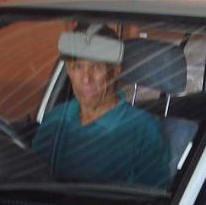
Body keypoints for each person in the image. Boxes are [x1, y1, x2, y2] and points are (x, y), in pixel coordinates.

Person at [32, 27, 169, 187]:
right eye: (78, 67)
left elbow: (153, 203)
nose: (86, 79)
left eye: (96, 67)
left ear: (115, 71)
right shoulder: (55, 120)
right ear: (69, 70)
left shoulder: (143, 132)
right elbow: (32, 179)